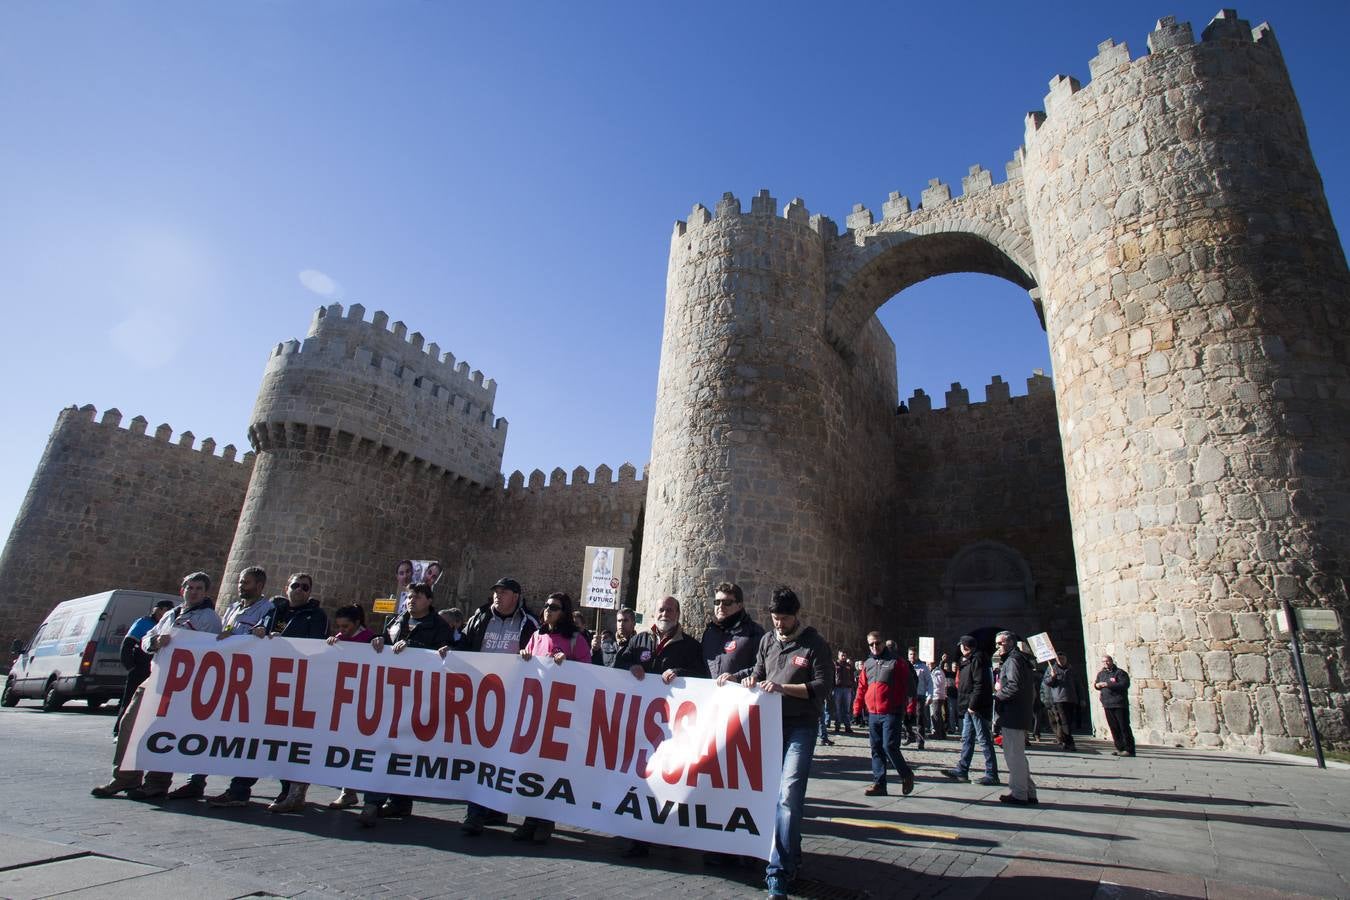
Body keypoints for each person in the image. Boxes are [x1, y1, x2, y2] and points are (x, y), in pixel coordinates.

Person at [718, 587, 832, 900]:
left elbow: (823, 686)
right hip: (769, 727)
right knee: (775, 798)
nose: (779, 623)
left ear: (797, 615)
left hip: (802, 728)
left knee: (789, 796)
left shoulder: (814, 644)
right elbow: (757, 672)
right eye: (775, 618)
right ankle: (791, 858)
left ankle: (777, 872)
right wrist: (738, 677)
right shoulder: (768, 641)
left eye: (784, 618)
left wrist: (783, 687)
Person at [93, 572, 223, 800]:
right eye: (190, 587)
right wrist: (155, 641)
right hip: (156, 676)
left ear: (205, 593)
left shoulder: (209, 618)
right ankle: (125, 778)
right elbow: (146, 640)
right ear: (183, 590)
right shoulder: (171, 614)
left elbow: (209, 647)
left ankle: (157, 782)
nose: (193, 592)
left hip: (181, 682)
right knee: (129, 723)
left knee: (165, 731)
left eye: (199, 589)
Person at [615, 595, 709, 857]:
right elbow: (617, 665)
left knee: (671, 781)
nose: (664, 613)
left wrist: (680, 673)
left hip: (674, 730)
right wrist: (631, 665)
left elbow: (702, 677)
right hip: (641, 726)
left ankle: (671, 836)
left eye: (670, 609)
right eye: (661, 609)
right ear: (654, 613)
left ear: (678, 614)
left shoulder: (690, 646)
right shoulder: (639, 640)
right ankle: (638, 837)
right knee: (641, 780)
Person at [352, 582, 452, 826]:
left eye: (417, 597)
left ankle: (398, 801)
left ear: (429, 600)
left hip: (420, 696)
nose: (411, 601)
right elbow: (385, 642)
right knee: (386, 745)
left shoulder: (439, 626)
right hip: (392, 693)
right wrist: (378, 640)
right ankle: (374, 802)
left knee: (406, 749)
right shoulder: (397, 620)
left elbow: (444, 654)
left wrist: (413, 649)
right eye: (409, 596)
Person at [458, 577, 539, 835]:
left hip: (513, 698)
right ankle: (476, 812)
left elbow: (538, 653)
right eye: (496, 592)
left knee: (502, 755)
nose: (497, 596)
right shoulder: (480, 618)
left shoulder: (529, 623)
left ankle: (495, 809)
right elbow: (465, 645)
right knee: (481, 754)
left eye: (503, 592)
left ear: (515, 595)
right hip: (481, 696)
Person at [513, 592, 592, 844]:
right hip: (536, 710)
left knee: (550, 768)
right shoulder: (536, 637)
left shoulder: (575, 641)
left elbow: (588, 670)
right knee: (532, 766)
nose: (548, 610)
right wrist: (524, 656)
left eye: (554, 607)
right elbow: (524, 664)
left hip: (561, 714)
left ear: (564, 612)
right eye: (546, 606)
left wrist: (568, 664)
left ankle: (545, 820)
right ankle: (529, 819)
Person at [853, 631, 915, 798]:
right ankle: (879, 783)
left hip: (892, 711)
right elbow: (862, 688)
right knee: (876, 748)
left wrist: (910, 710)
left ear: (883, 643)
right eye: (871, 644)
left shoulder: (897, 662)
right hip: (873, 713)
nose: (875, 647)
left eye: (877, 643)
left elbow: (908, 687)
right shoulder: (868, 664)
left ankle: (906, 774)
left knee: (889, 746)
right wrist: (857, 709)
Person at [325, 604, 374, 810]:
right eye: (339, 626)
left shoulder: (371, 639)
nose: (342, 630)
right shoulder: (340, 638)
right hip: (344, 700)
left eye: (346, 626)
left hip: (365, 702)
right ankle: (348, 791)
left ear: (357, 623)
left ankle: (354, 791)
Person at [941, 635, 1000, 786]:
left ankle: (992, 773)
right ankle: (962, 770)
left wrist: (973, 705)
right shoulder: (966, 661)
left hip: (976, 707)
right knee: (967, 738)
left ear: (965, 646)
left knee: (984, 740)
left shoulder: (977, 660)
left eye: (961, 646)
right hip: (969, 707)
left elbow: (980, 685)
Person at [111, 599, 174, 738]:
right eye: (165, 610)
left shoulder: (164, 625)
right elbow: (128, 644)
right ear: (158, 610)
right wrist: (131, 666)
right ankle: (119, 731)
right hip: (139, 669)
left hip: (154, 669)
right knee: (130, 700)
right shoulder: (144, 622)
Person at [992, 631, 1038, 805]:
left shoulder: (1013, 660)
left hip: (1013, 713)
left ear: (1010, 643)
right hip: (1018, 712)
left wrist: (997, 695)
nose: (997, 647)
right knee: (1018, 754)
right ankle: (1029, 791)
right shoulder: (1020, 659)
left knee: (1013, 756)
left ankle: (1019, 793)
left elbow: (1014, 687)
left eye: (1000, 643)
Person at [1095, 654, 1136, 756]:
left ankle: (1129, 749)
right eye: (1104, 662)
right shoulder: (1101, 674)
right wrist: (1097, 685)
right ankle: (1120, 748)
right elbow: (1096, 684)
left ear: (1111, 661)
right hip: (1107, 703)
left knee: (1124, 727)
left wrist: (1107, 684)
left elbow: (1124, 685)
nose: (1106, 663)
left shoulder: (1120, 673)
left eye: (1107, 661)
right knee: (1114, 727)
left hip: (1119, 703)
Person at [1043, 652, 1078, 751]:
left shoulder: (1070, 669)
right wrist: (1052, 677)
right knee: (1064, 721)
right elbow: (1047, 682)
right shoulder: (1051, 669)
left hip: (1071, 698)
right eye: (1059, 659)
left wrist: (1081, 698)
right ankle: (1069, 742)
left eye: (1063, 659)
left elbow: (1078, 683)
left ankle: (1065, 740)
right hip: (1058, 698)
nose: (1061, 660)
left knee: (1069, 721)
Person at [907, 648, 931, 750]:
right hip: (907, 696)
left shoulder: (923, 667)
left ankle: (920, 741)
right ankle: (909, 735)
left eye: (914, 654)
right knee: (906, 718)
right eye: (911, 654)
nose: (912, 656)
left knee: (919, 719)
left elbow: (929, 682)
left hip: (919, 695)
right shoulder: (905, 666)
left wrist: (930, 695)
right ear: (908, 655)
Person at [832, 651, 856, 736]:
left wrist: (852, 687)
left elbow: (852, 677)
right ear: (838, 655)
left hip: (847, 689)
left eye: (844, 655)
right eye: (842, 655)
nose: (843, 657)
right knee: (837, 709)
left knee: (847, 709)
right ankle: (837, 726)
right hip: (837, 688)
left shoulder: (849, 665)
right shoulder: (834, 664)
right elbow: (831, 676)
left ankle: (847, 726)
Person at [928, 655, 947, 739]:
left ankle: (937, 733)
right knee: (937, 715)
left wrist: (930, 677)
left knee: (935, 715)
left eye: (930, 663)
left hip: (937, 695)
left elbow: (937, 683)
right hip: (935, 695)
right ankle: (942, 733)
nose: (928, 665)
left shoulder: (937, 672)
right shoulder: (933, 671)